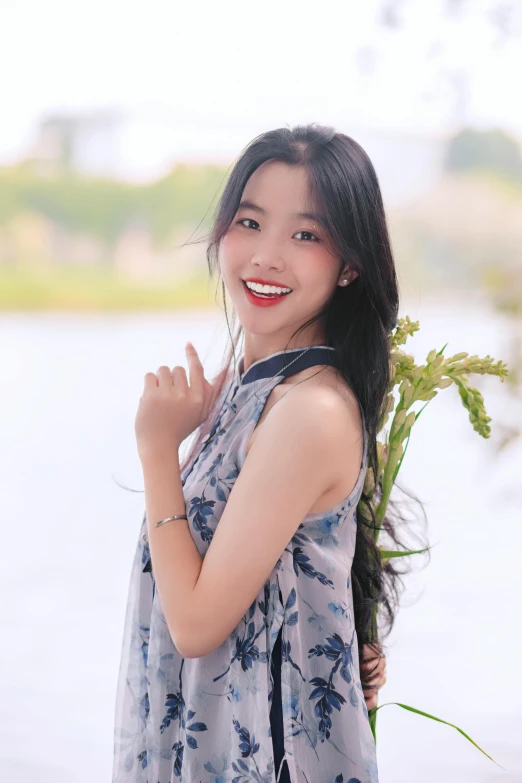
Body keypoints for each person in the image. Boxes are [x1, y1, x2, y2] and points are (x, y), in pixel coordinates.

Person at [113, 123, 399, 783]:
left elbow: (196, 624)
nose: (267, 256)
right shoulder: (257, 391)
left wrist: (158, 449)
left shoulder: (310, 409)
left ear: (351, 262)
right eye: (250, 222)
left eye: (306, 235)